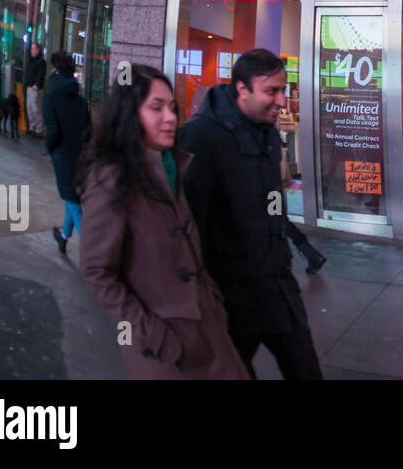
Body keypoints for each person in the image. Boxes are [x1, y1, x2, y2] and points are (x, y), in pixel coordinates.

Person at [76, 65, 249, 379]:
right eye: (156, 108)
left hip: (207, 329)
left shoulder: (170, 164)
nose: (170, 118)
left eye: (172, 108)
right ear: (129, 114)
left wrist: (213, 300)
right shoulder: (111, 178)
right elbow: (97, 270)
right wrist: (150, 333)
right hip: (166, 351)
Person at [179, 49, 323, 380]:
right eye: (270, 91)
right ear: (242, 89)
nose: (281, 100)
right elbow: (189, 226)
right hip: (230, 301)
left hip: (278, 289)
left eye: (283, 89)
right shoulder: (199, 136)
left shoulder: (268, 132)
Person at [43, 51, 90, 256]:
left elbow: (52, 129)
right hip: (81, 154)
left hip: (62, 154)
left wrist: (49, 147)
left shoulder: (51, 97)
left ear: (56, 69)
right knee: (72, 196)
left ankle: (93, 252)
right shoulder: (80, 99)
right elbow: (89, 128)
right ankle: (63, 237)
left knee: (72, 200)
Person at [24, 42, 47, 138]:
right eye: (32, 49)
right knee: (29, 109)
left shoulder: (41, 61)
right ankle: (32, 127)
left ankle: (39, 129)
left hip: (35, 89)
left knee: (36, 109)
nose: (33, 51)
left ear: (38, 50)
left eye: (35, 49)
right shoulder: (30, 60)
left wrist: (37, 84)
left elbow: (41, 74)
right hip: (29, 88)